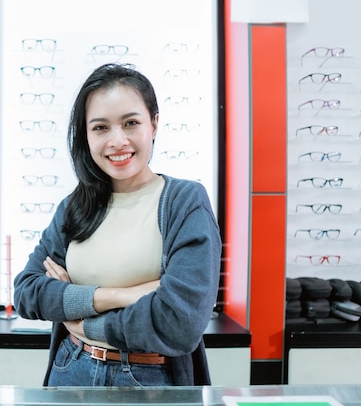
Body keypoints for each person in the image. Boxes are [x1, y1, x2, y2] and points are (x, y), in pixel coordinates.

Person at [13, 62, 221, 387]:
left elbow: (179, 323)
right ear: (86, 134)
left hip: (149, 377)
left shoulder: (184, 201)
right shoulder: (74, 207)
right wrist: (121, 296)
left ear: (153, 124)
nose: (117, 140)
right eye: (100, 127)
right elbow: (28, 292)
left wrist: (84, 321)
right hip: (71, 368)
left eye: (130, 123)